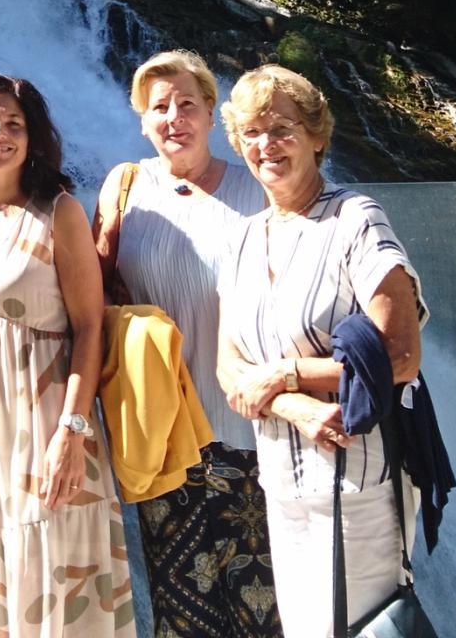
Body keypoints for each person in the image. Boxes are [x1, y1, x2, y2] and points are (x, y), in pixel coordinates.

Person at [215, 65, 427, 638]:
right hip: (281, 482)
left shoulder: (355, 220)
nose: (266, 145)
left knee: (367, 627)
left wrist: (284, 373)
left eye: (281, 128)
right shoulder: (239, 238)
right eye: (251, 133)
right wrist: (293, 404)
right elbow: (229, 368)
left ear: (316, 135)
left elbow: (401, 358)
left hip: (355, 482)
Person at [0, 75, 134, 637]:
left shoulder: (59, 211)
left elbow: (90, 328)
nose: (0, 134)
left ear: (35, 137)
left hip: (48, 416)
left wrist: (72, 431)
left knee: (55, 556)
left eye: (14, 124)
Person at [91, 51, 280, 638]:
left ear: (210, 113)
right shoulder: (125, 190)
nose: (174, 117)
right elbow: (93, 300)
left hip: (256, 430)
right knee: (183, 611)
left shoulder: (260, 188)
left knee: (268, 609)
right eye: (159, 107)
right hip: (166, 437)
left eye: (187, 104)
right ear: (142, 121)